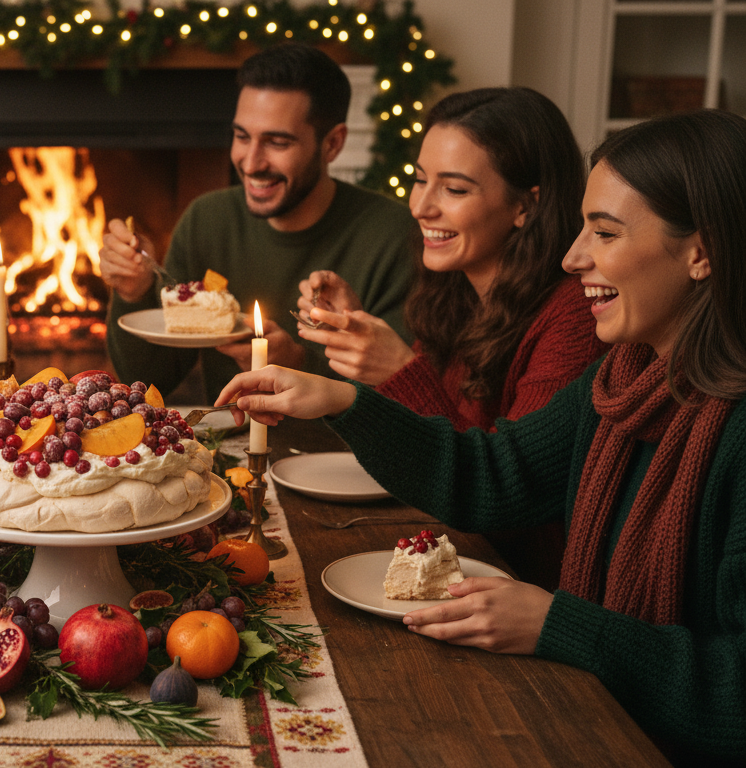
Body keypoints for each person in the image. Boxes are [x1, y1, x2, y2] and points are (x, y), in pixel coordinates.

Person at [218, 109, 746, 763]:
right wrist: (344, 401)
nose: (573, 256)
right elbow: (492, 475)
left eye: (604, 233)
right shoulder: (624, 378)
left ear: (703, 252)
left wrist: (563, 625)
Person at [295, 88, 610, 588]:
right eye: (420, 180)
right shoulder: (456, 291)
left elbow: (506, 494)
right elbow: (429, 434)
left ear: (526, 206)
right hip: (452, 554)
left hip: (521, 585)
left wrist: (397, 371)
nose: (420, 206)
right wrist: (356, 331)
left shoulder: (574, 316)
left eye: (454, 190)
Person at [101, 42, 416, 400]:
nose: (250, 163)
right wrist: (134, 292)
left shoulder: (393, 236)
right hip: (229, 448)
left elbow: (407, 409)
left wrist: (298, 366)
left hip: (336, 455)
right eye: (241, 136)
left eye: (277, 142)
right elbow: (147, 379)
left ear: (332, 144)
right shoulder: (208, 219)